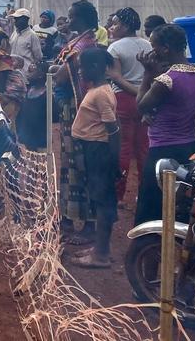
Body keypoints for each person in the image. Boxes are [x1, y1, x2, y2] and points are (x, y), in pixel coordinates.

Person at [134, 24, 195, 225]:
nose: (152, 51)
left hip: (162, 151)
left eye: (154, 46)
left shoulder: (166, 80)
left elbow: (141, 105)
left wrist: (146, 74)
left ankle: (149, 250)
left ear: (166, 49)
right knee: (183, 204)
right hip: (190, 147)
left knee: (151, 206)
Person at [52, 0, 102, 237]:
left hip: (78, 112)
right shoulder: (84, 41)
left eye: (71, 16)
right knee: (74, 164)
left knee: (79, 165)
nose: (68, 19)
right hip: (75, 111)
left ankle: (87, 223)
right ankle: (71, 218)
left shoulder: (81, 46)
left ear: (81, 18)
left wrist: (49, 71)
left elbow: (61, 76)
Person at [69, 46, 120, 268]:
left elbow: (113, 128)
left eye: (83, 68)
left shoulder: (100, 94)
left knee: (103, 202)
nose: (80, 72)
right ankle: (101, 248)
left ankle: (100, 255)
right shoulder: (99, 89)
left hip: (98, 151)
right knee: (99, 199)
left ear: (96, 67)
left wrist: (115, 160)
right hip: (93, 149)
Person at [106, 8, 152, 203]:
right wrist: (143, 94)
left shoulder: (115, 48)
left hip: (124, 100)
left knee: (123, 148)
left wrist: (134, 92)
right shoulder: (148, 45)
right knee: (144, 148)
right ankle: (144, 194)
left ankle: (118, 195)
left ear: (125, 26)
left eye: (115, 24)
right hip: (148, 99)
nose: (111, 27)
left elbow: (115, 76)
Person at [9, 9, 43, 75]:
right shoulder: (14, 33)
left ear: (25, 19)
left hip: (25, 72)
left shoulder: (32, 35)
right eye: (15, 19)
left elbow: (38, 57)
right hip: (12, 70)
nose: (15, 21)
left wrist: (32, 68)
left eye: (17, 19)